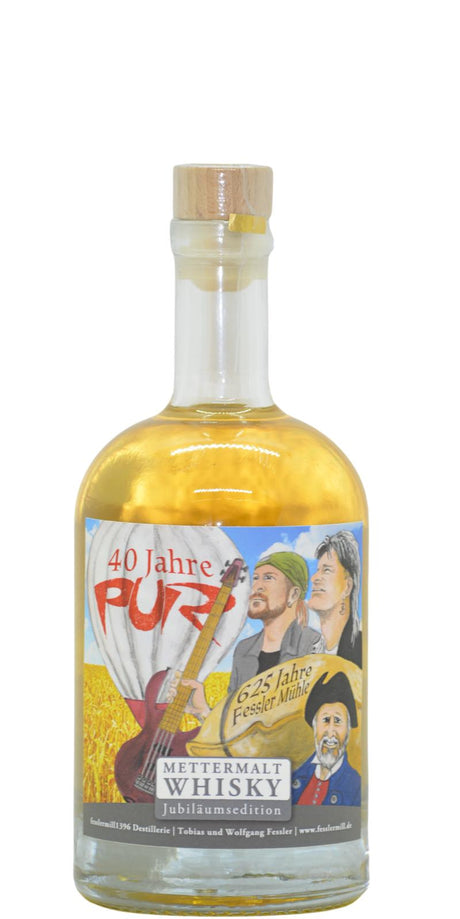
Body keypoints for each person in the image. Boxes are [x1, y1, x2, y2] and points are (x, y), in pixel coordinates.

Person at [174, 551, 323, 719]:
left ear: (293, 594)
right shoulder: (244, 649)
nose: (256, 586)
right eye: (256, 578)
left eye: (268, 578)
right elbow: (233, 723)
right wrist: (203, 710)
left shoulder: (312, 644)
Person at [291, 671, 361, 806]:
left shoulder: (356, 788)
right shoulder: (295, 776)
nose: (330, 733)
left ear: (348, 729)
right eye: (325, 720)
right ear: (315, 726)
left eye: (338, 721)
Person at [308, 531, 362, 667]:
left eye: (326, 570)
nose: (314, 578)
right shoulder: (311, 652)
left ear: (347, 587)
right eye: (317, 570)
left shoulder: (360, 647)